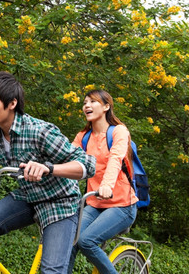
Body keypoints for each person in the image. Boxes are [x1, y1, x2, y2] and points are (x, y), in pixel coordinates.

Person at [0, 71, 96, 274]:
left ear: (11, 103)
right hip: (28, 196)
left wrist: (49, 168)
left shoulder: (40, 131)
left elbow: (88, 164)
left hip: (60, 202)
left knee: (51, 271)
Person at [68, 89, 138, 274]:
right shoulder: (83, 137)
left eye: (93, 101)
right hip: (94, 202)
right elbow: (66, 160)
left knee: (86, 241)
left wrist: (106, 185)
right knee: (70, 242)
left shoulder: (118, 131)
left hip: (122, 205)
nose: (87, 106)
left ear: (106, 106)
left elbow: (115, 159)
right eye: (84, 103)